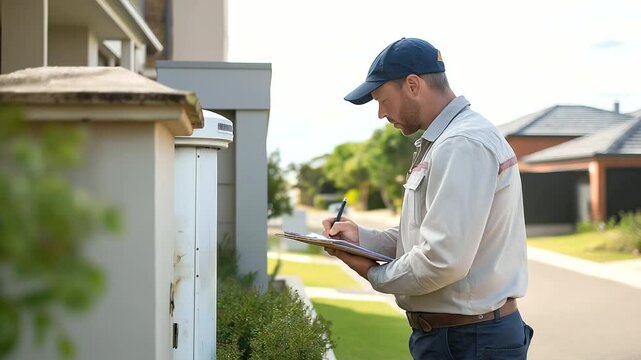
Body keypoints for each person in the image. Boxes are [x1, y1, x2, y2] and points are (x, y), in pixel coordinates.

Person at [322, 37, 534, 359]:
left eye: (382, 99)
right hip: (460, 336)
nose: (380, 114)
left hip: (468, 340)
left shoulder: (461, 144)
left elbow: (441, 259)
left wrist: (372, 272)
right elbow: (426, 235)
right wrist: (361, 239)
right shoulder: (448, 141)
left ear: (412, 85)